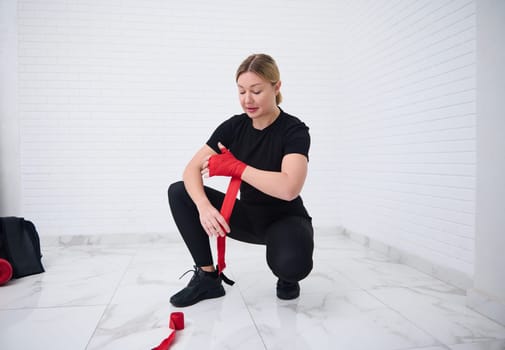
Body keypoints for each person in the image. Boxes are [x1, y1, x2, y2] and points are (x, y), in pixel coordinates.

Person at [167, 53, 314, 307]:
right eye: (241, 91)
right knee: (180, 192)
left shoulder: (294, 130)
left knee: (292, 265)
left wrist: (237, 167)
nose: (247, 100)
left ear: (276, 87)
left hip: (285, 218)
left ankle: (287, 277)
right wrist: (203, 207)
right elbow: (191, 170)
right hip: (247, 216)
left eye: (256, 91)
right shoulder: (234, 127)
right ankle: (208, 278)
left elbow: (290, 188)